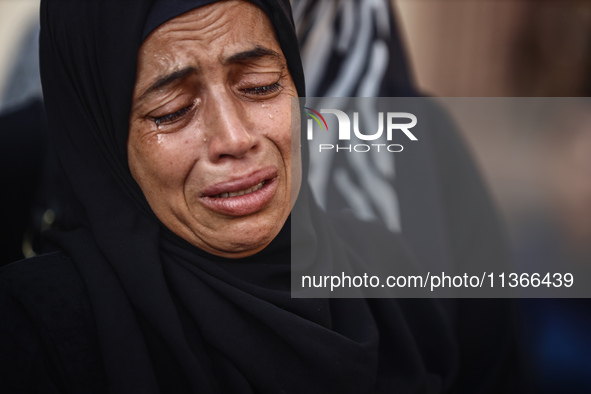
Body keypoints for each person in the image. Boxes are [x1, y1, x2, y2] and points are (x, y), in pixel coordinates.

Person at [0, 0, 520, 392]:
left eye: (260, 85)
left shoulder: (395, 285)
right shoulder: (37, 331)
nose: (235, 138)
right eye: (172, 110)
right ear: (103, 142)